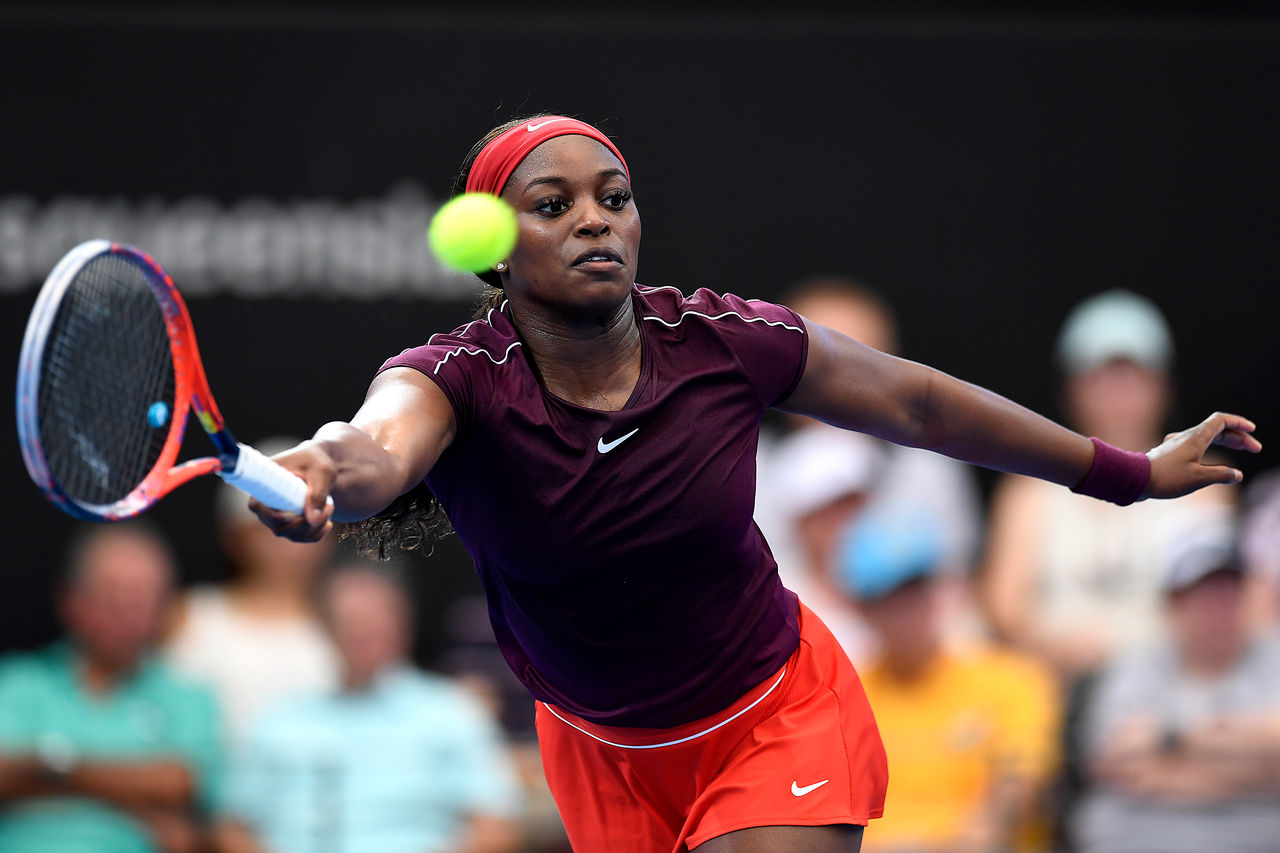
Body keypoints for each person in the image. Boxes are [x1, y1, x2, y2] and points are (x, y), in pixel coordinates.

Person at [246, 113, 1260, 853]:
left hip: (772, 711)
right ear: (495, 250)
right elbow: (377, 444)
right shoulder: (457, 380)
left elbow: (918, 404)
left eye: (614, 197)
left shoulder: (721, 342)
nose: (596, 221)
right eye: (552, 206)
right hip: (603, 753)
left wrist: (1125, 471)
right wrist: (324, 469)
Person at [211, 559, 524, 853]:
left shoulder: (451, 712)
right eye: (350, 621)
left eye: (377, 619)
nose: (364, 632)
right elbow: (232, 824)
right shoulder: (279, 718)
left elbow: (497, 825)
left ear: (404, 623)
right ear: (324, 628)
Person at [837, 505, 1061, 853]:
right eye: (890, 598)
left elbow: (1019, 783)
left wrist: (980, 834)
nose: (908, 610)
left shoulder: (1012, 678)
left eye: (917, 590)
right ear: (863, 609)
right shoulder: (842, 699)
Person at [0, 521, 223, 853]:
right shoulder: (18, 682)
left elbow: (180, 784)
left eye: (144, 596)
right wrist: (139, 802)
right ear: (71, 600)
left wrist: (47, 771)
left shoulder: (190, 697)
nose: (128, 612)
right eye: (112, 594)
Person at [1071, 518, 1280, 852]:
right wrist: (1254, 770)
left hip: (1253, 839)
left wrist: (1168, 740)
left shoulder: (1273, 657)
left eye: (1229, 595)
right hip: (1139, 839)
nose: (1219, 610)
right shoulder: (1135, 663)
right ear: (1173, 603)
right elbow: (1114, 763)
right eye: (1204, 597)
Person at [162, 436, 341, 749]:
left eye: (305, 522)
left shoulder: (348, 625)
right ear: (235, 538)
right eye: (271, 528)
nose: (293, 542)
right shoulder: (188, 617)